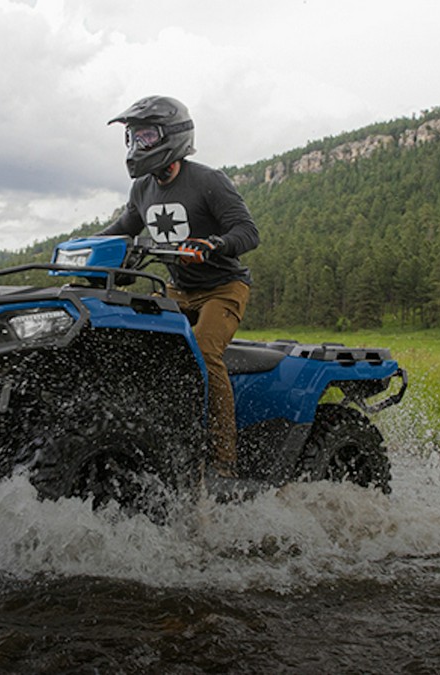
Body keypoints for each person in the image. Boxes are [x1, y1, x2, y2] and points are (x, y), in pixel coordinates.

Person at [100, 95, 259, 477]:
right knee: (138, 349)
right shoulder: (142, 190)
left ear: (172, 136)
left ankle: (222, 460)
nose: (139, 145)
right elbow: (123, 229)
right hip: (175, 291)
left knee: (204, 352)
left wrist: (214, 244)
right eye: (133, 137)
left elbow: (247, 232)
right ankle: (154, 440)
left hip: (222, 287)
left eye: (148, 136)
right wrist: (82, 248)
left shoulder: (208, 181)